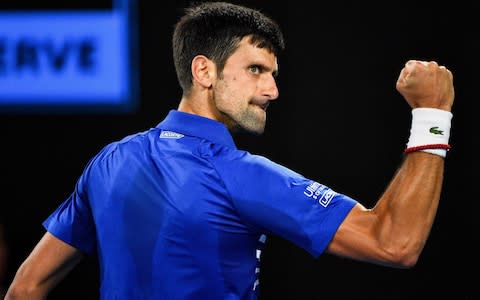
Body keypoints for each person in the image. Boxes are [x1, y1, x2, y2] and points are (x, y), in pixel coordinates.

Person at [5, 1, 455, 299]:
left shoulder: (108, 161)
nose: (273, 90)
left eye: (273, 73)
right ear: (204, 71)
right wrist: (432, 113)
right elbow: (395, 242)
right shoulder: (237, 174)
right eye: (256, 69)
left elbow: (25, 288)